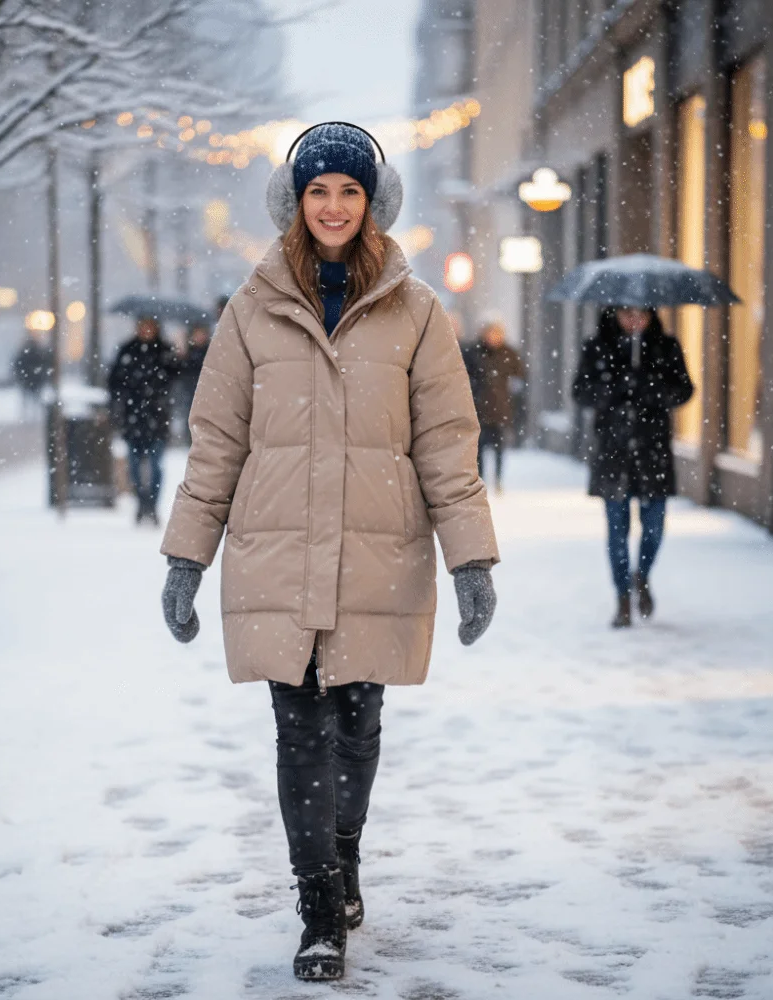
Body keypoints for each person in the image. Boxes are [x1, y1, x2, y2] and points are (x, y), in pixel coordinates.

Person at [158, 123, 500, 981]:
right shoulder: (250, 309)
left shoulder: (417, 311)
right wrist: (186, 557)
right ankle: (318, 907)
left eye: (349, 190)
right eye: (319, 191)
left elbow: (448, 444)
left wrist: (471, 561)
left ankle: (343, 855)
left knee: (357, 727)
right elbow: (216, 442)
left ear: (371, 202)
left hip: (377, 553)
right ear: (296, 202)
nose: (334, 206)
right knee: (297, 731)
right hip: (275, 551)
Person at [572, 307, 694, 628]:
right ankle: (622, 597)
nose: (634, 320)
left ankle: (642, 574)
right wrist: (614, 386)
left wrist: (650, 386)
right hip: (614, 451)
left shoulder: (665, 347)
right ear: (615, 315)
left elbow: (684, 389)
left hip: (653, 451)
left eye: (640, 313)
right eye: (626, 313)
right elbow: (580, 391)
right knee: (617, 529)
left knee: (654, 526)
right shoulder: (597, 347)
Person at [108, 316, 176, 525]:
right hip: (133, 417)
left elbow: (176, 376)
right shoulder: (127, 350)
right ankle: (142, 503)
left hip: (157, 416)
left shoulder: (164, 351)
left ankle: (153, 506)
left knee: (156, 466)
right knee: (135, 465)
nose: (146, 329)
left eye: (150, 326)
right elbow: (114, 381)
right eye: (143, 325)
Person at [461, 317, 525, 492]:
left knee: (499, 447)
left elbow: (520, 376)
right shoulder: (473, 352)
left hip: (501, 408)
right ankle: (480, 479)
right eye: (490, 332)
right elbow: (463, 375)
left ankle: (498, 479)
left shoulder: (509, 353)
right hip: (478, 408)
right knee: (479, 447)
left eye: (496, 333)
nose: (492, 336)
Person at [12, 332, 53, 415]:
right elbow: (43, 363)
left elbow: (19, 364)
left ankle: (28, 412)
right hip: (34, 379)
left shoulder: (26, 352)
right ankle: (32, 412)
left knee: (29, 397)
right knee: (34, 397)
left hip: (29, 378)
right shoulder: (38, 352)